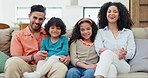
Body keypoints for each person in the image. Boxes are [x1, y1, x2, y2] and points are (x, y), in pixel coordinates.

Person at [5, 5, 69, 78]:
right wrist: (33, 57)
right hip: (27, 66)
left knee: (61, 67)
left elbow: (63, 47)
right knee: (11, 62)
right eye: (34, 18)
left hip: (47, 65)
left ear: (44, 19)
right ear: (29, 16)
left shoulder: (50, 33)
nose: (37, 21)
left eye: (40, 19)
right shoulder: (18, 36)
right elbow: (15, 57)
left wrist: (68, 57)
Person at [94, 2, 135, 78]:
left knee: (107, 53)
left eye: (115, 12)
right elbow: (99, 50)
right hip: (107, 63)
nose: (111, 14)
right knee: (111, 67)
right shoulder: (100, 32)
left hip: (122, 65)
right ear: (105, 15)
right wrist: (117, 52)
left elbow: (131, 53)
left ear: (119, 15)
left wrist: (124, 54)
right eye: (109, 11)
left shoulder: (128, 33)